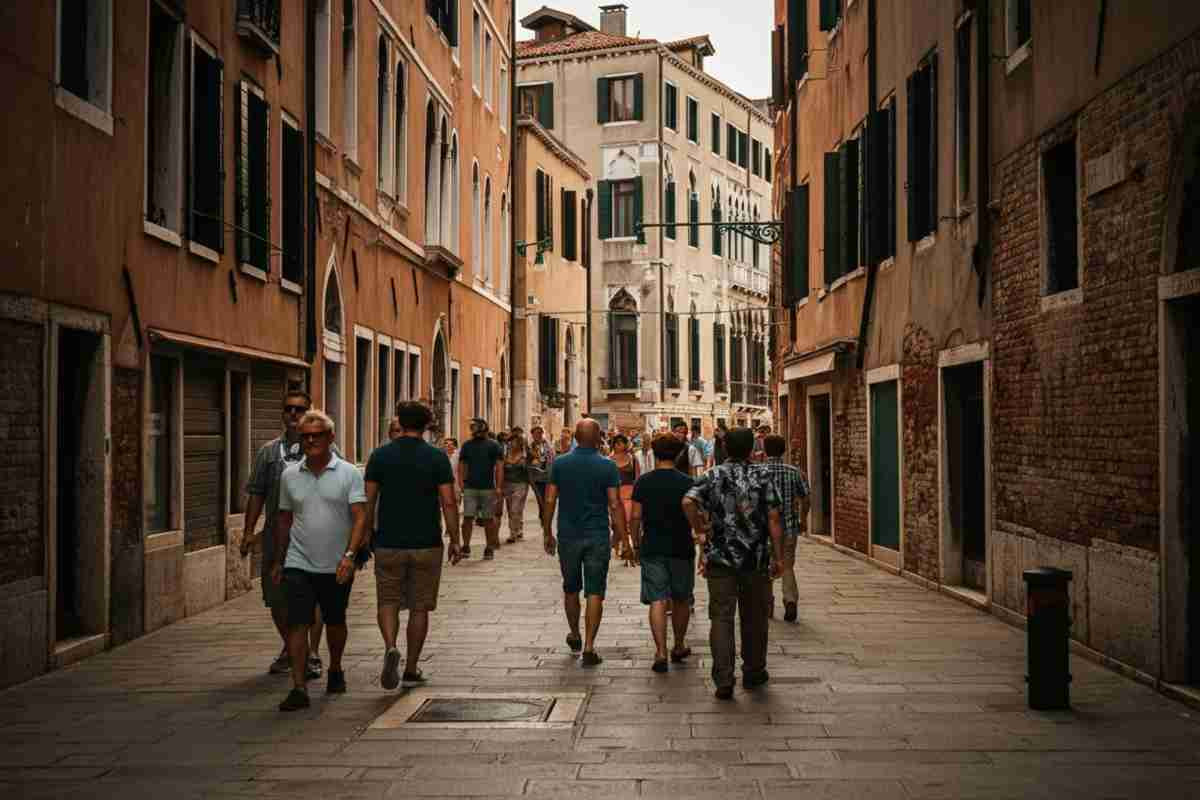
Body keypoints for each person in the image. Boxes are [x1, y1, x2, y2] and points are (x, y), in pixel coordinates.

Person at [272, 410, 368, 711]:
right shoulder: (289, 475)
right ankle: (299, 687)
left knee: (335, 620)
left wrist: (350, 556)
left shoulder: (349, 473)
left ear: (331, 438)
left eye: (317, 435)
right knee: (297, 622)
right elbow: (285, 520)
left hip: (336, 562)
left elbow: (360, 517)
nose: (311, 440)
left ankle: (336, 667)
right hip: (298, 561)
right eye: (306, 436)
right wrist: (278, 560)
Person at [364, 402, 462, 691]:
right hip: (426, 543)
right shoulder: (437, 458)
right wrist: (455, 539)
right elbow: (448, 501)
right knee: (420, 607)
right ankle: (410, 667)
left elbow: (368, 501)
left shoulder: (379, 456)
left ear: (400, 423)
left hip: (388, 541)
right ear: (426, 425)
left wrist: (366, 534)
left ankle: (391, 646)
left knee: (388, 600)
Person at [683, 427, 784, 700]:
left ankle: (724, 679)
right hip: (756, 558)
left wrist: (700, 530)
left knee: (722, 618)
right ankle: (753, 671)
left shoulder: (712, 475)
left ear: (725, 448)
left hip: (720, 558)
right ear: (752, 448)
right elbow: (774, 518)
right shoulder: (764, 475)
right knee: (754, 618)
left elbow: (688, 501)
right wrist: (779, 555)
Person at [241, 390, 325, 681]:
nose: (293, 414)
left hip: (312, 536)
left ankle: (310, 654)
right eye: (288, 409)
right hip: (276, 536)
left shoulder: (324, 450)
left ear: (309, 413)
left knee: (311, 599)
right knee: (276, 598)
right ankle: (292, 648)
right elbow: (256, 494)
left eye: (299, 410)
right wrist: (248, 531)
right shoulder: (268, 452)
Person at [542, 419, 630, 666]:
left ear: (577, 438)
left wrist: (547, 531)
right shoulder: (607, 466)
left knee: (571, 588)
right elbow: (614, 504)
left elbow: (550, 500)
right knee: (595, 591)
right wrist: (623, 537)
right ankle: (590, 646)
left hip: (569, 535)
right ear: (597, 438)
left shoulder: (560, 463)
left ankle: (575, 633)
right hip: (597, 535)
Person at [628, 434, 695, 673]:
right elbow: (696, 514)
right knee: (681, 598)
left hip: (653, 546)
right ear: (678, 455)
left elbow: (635, 517)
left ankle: (660, 651)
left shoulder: (643, 482)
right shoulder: (688, 482)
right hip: (681, 546)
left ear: (655, 454)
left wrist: (634, 543)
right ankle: (678, 644)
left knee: (657, 598)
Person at [760, 435, 810, 623]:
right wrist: (802, 519)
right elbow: (805, 498)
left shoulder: (758, 472)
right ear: (784, 450)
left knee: (765, 565)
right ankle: (790, 601)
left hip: (764, 530)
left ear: (764, 450)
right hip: (789, 527)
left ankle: (767, 604)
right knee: (787, 565)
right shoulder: (793, 472)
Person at [458, 419, 504, 559]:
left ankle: (489, 547)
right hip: (470, 487)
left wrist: (499, 487)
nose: (474, 430)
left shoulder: (494, 445)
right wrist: (461, 483)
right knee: (467, 518)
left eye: (475, 428)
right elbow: (462, 465)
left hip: (488, 488)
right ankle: (466, 545)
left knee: (488, 519)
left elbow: (499, 467)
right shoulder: (467, 446)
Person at [502, 433, 531, 544]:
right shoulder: (505, 454)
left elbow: (533, 464)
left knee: (515, 508)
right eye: (510, 441)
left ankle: (512, 533)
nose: (511, 443)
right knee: (511, 509)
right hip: (508, 484)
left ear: (519, 443)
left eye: (514, 441)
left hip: (521, 484)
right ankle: (519, 528)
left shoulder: (525, 454)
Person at [609, 434, 639, 531]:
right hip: (613, 494)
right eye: (616, 443)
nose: (618, 445)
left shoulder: (632, 458)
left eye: (621, 442)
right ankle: (617, 545)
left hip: (629, 494)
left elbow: (637, 477)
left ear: (626, 444)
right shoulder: (608, 460)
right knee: (615, 523)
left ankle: (624, 544)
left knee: (627, 520)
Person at [527, 426, 555, 520]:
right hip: (535, 477)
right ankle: (543, 515)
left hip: (547, 476)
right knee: (540, 499)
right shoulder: (530, 447)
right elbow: (527, 462)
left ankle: (544, 517)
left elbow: (551, 459)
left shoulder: (548, 446)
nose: (538, 435)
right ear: (532, 435)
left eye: (539, 433)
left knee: (546, 499)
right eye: (535, 433)